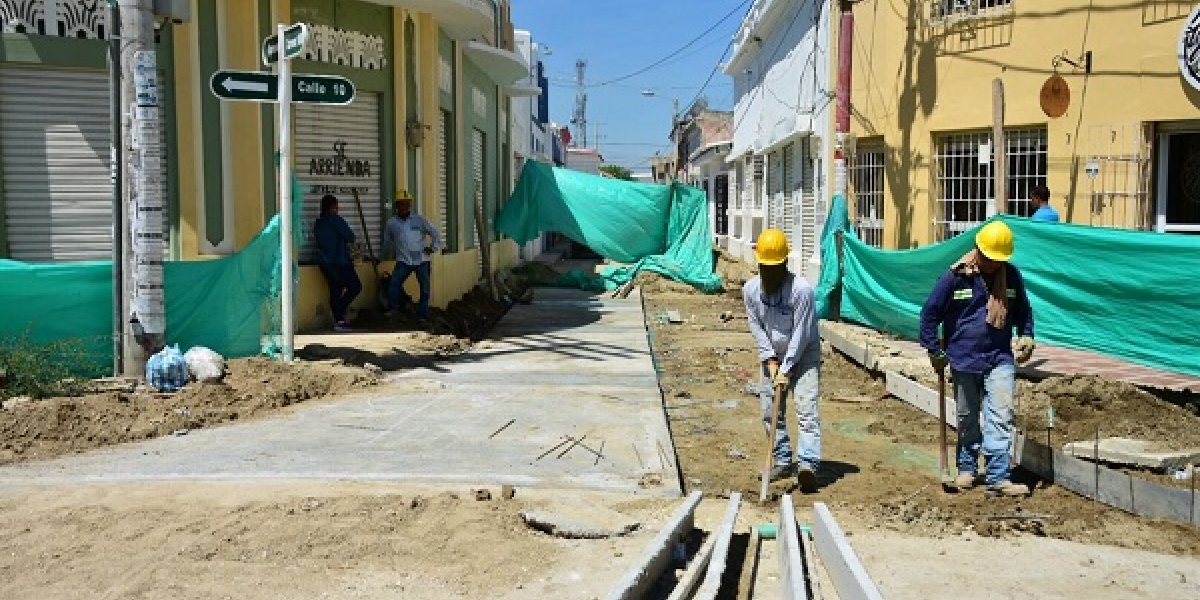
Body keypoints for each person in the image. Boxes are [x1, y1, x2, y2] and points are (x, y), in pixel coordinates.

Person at [919, 220, 1036, 498]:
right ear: (978, 251)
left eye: (999, 260)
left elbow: (1023, 311)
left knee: (1001, 415)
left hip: (999, 357)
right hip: (963, 358)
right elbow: (930, 314)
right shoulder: (955, 277)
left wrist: (1027, 335)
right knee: (967, 416)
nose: (995, 265)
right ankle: (967, 467)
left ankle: (998, 476)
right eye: (990, 259)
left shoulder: (1011, 276)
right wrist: (934, 350)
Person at [743, 228, 822, 492]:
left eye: (774, 268)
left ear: (785, 264)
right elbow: (757, 329)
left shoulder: (801, 291)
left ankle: (808, 463)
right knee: (769, 411)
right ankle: (784, 458)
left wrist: (786, 369)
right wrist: (771, 361)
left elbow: (801, 334)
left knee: (806, 408)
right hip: (774, 357)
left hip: (804, 355)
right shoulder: (751, 291)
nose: (769, 273)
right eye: (765, 267)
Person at [382, 189, 442, 320]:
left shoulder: (419, 220)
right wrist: (383, 256)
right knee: (394, 284)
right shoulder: (391, 223)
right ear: (397, 205)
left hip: (421, 260)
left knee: (424, 289)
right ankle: (393, 309)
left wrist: (433, 248)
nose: (404, 206)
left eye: (407, 203)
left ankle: (422, 315)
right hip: (404, 260)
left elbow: (435, 233)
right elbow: (387, 241)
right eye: (401, 203)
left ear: (410, 205)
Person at [312, 194, 361, 332]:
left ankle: (339, 320)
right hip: (340, 262)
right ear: (333, 207)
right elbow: (350, 236)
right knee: (355, 286)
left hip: (325, 263)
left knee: (335, 290)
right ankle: (340, 310)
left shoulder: (319, 223)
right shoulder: (335, 220)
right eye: (336, 206)